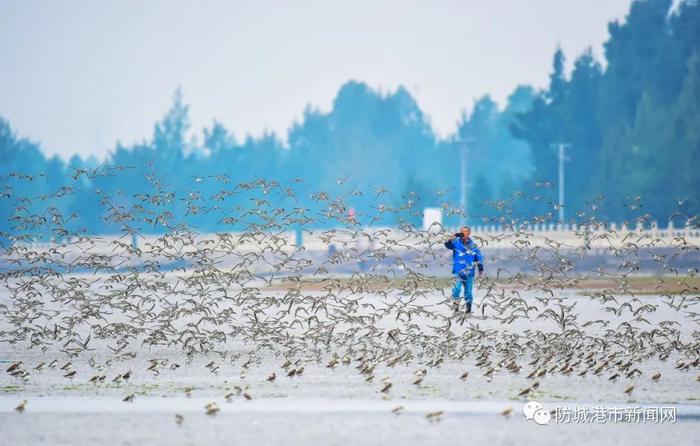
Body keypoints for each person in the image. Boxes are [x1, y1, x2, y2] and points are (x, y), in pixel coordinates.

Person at [444, 226, 484, 313]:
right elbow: (447, 245)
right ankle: (456, 308)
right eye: (462, 231)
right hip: (458, 271)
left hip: (469, 272)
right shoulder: (456, 243)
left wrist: (480, 268)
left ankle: (468, 310)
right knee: (456, 289)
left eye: (466, 231)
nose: (464, 233)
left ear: (469, 233)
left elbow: (478, 257)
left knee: (468, 292)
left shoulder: (473, 245)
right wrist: (453, 237)